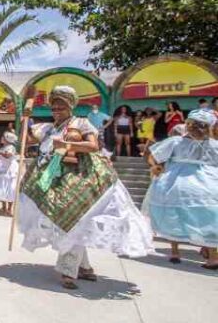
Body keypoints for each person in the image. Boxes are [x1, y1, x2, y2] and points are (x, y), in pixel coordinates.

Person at [18, 86, 153, 290]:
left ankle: (67, 271)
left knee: (72, 220)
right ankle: (85, 267)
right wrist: (25, 118)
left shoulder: (81, 122)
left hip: (79, 178)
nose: (57, 110)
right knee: (72, 222)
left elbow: (93, 146)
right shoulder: (47, 128)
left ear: (70, 106)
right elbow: (26, 140)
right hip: (50, 179)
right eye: (54, 107)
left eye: (61, 106)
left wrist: (66, 145)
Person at [144, 110, 217, 269]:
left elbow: (152, 155)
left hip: (176, 184)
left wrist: (155, 167)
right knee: (210, 218)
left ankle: (175, 251)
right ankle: (212, 256)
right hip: (208, 185)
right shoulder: (214, 145)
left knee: (173, 215)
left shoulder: (176, 141)